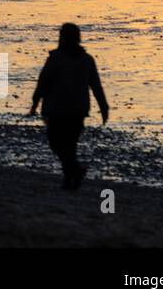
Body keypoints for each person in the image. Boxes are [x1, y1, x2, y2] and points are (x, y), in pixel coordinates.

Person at [27, 23, 109, 189]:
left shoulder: (56, 59)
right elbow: (96, 86)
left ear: (62, 37)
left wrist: (35, 103)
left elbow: (43, 82)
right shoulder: (86, 60)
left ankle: (73, 172)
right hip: (77, 110)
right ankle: (71, 176)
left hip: (57, 109)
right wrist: (103, 107)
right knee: (69, 145)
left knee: (57, 143)